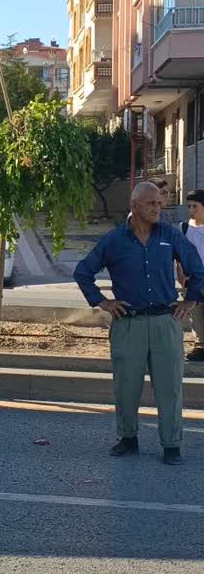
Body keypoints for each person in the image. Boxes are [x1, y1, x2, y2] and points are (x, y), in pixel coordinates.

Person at [74, 181, 204, 465]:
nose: (158, 208)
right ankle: (128, 438)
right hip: (128, 323)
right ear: (134, 206)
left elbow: (198, 270)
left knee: (169, 387)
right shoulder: (114, 240)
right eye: (151, 204)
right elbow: (83, 272)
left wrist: (190, 301)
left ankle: (171, 445)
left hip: (165, 322)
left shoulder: (170, 235)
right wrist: (103, 301)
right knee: (126, 385)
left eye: (159, 203)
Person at [179, 189, 204, 362]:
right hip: (194, 279)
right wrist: (181, 275)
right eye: (189, 206)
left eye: (195, 206)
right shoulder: (184, 228)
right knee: (196, 315)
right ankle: (200, 347)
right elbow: (178, 255)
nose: (191, 210)